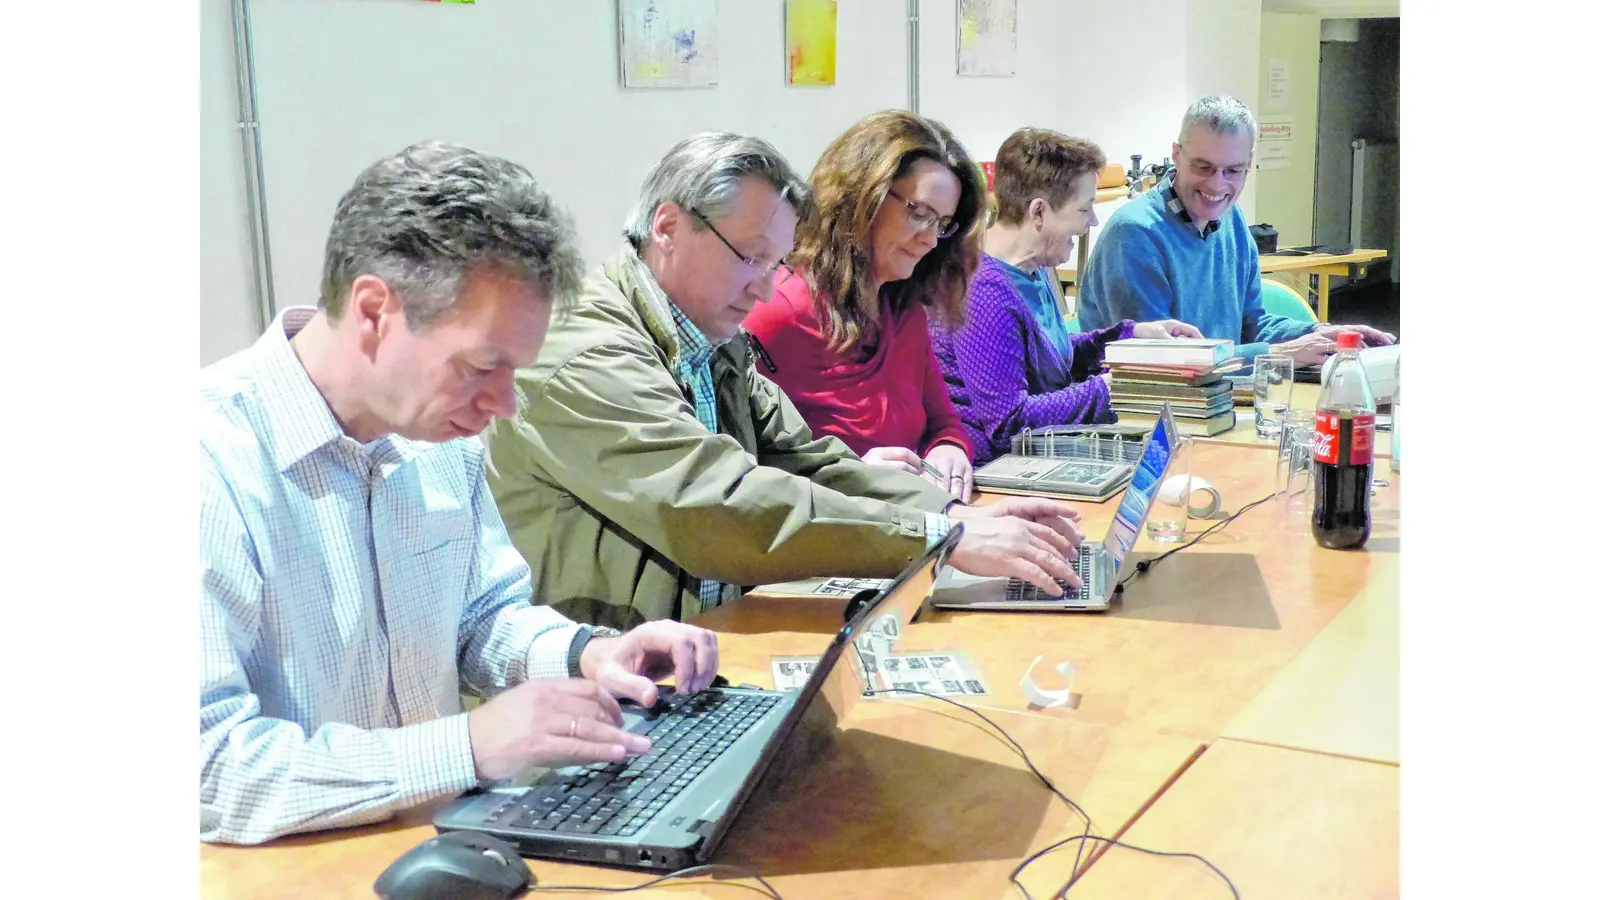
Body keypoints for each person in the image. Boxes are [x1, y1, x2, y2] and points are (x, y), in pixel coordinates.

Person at [199, 142, 721, 845]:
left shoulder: (434, 438)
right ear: (374, 310)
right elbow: (208, 772)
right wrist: (466, 746)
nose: (504, 404)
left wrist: (588, 655)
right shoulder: (205, 465)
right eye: (483, 366)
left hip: (438, 847)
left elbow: (481, 618)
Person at [480, 132, 1086, 630]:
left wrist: (954, 513)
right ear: (666, 227)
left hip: (713, 639)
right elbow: (716, 504)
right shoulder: (583, 353)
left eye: (776, 264)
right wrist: (937, 533)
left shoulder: (710, 333)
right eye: (750, 257)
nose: (765, 288)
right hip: (617, 681)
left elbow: (809, 461)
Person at [743, 111, 983, 500]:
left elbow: (944, 423)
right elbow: (740, 469)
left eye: (942, 224)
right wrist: (848, 475)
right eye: (919, 214)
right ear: (860, 197)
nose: (931, 240)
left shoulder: (902, 309)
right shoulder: (777, 312)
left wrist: (949, 450)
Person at [929, 127, 1203, 464]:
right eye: (1084, 209)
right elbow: (1010, 423)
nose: (1093, 219)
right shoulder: (982, 292)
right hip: (998, 472)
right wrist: (1109, 388)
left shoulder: (1032, 267)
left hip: (1038, 456)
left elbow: (1043, 358)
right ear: (1039, 212)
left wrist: (1129, 338)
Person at [1077, 95, 1393, 366]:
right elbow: (1162, 361)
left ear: (1249, 162)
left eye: (1233, 170)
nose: (1217, 185)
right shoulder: (1135, 234)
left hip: (1216, 402)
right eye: (1203, 167)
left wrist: (1318, 334)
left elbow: (1251, 324)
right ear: (1176, 155)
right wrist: (1278, 353)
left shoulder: (1232, 219)